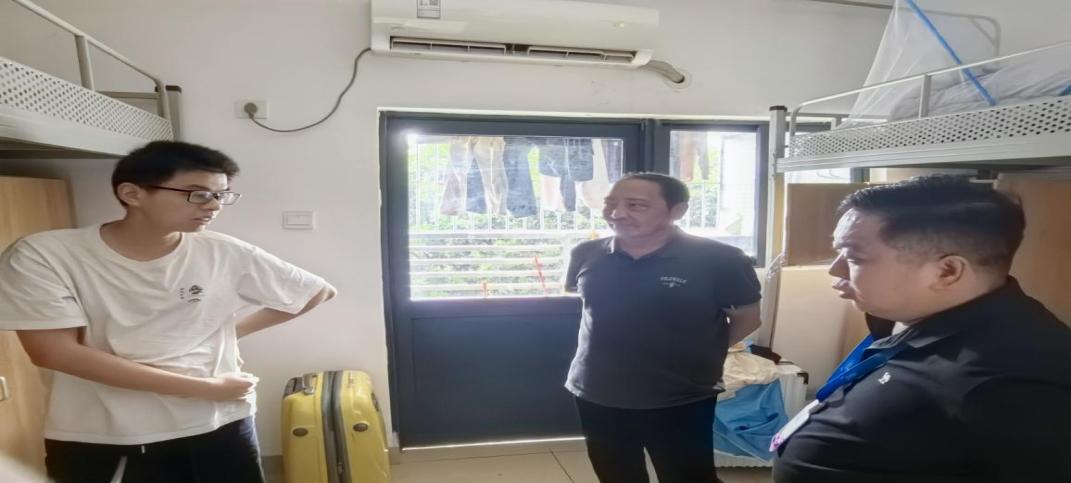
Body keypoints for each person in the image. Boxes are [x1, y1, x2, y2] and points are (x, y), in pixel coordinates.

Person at [0, 141, 337, 483]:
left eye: (221, 195)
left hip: (220, 423)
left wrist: (229, 332)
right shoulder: (45, 255)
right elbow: (54, 352)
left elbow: (316, 292)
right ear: (132, 193)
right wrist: (207, 388)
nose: (213, 206)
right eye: (197, 194)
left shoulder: (222, 251)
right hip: (107, 433)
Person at [773, 175, 1071, 483]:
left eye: (854, 257)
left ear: (947, 272)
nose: (835, 269)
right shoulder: (911, 315)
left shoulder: (1011, 385)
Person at [564, 172, 762, 483]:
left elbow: (748, 318)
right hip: (597, 391)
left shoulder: (721, 259)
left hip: (680, 395)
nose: (617, 213)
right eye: (611, 203)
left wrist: (697, 352)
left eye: (635, 205)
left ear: (677, 210)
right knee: (616, 475)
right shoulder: (586, 253)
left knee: (688, 477)